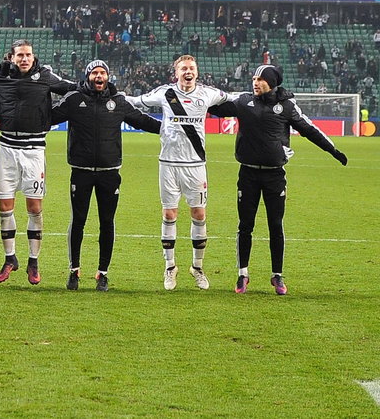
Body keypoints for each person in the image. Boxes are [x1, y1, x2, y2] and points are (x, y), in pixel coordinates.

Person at [209, 65, 348, 295]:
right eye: (253, 78)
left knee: (276, 224)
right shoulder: (243, 102)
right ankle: (242, 274)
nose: (255, 82)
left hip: (275, 175)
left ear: (272, 83)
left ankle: (277, 275)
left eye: (260, 79)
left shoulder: (286, 106)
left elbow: (309, 129)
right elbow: (215, 108)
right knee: (245, 225)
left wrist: (333, 150)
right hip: (248, 173)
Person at [126, 54, 236, 291]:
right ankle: (170, 267)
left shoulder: (208, 93)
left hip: (195, 165)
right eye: (183, 68)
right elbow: (137, 101)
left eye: (192, 68)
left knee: (198, 214)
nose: (188, 71)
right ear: (176, 73)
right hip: (168, 164)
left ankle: (197, 268)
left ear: (197, 72)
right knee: (169, 215)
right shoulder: (165, 93)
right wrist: (114, 98)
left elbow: (235, 99)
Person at [50, 60, 160, 291]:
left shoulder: (118, 102)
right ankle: (74, 271)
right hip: (81, 172)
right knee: (78, 221)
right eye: (95, 73)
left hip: (110, 173)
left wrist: (171, 127)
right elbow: (48, 118)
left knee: (107, 222)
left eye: (103, 73)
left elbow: (143, 121)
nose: (99, 77)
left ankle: (103, 274)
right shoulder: (74, 99)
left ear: (108, 77)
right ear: (88, 76)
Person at [0, 40, 73, 285]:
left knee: (34, 208)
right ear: (12, 57)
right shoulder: (0, 75)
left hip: (34, 150)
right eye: (20, 55)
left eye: (29, 55)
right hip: (7, 148)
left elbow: (71, 89)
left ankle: (33, 261)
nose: (25, 59)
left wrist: (52, 115)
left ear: (34, 57)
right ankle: (10, 258)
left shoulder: (45, 75)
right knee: (5, 207)